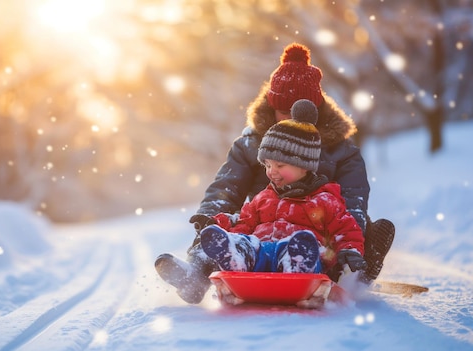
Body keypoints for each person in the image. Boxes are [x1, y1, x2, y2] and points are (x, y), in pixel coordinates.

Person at [155, 43, 394, 304]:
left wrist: (345, 253)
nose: (291, 119)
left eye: (298, 112)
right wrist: (212, 219)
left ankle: (351, 277)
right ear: (271, 108)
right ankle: (196, 274)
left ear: (315, 109)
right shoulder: (251, 145)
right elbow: (226, 189)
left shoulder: (341, 151)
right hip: (261, 226)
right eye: (283, 112)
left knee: (362, 228)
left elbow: (352, 204)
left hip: (316, 232)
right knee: (222, 231)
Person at [198, 100, 366, 284]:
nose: (271, 171)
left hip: (301, 257)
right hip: (261, 255)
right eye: (267, 165)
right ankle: (234, 257)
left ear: (304, 167)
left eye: (280, 165)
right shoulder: (264, 198)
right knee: (247, 244)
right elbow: (244, 224)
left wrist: (350, 251)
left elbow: (346, 231)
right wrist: (219, 223)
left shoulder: (325, 200)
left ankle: (297, 265)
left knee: (300, 245)